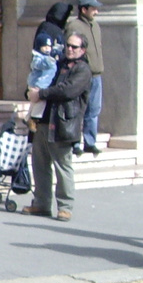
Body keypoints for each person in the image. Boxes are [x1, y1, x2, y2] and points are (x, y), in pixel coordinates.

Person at [24, 32, 91, 221]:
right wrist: (32, 91)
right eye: (68, 45)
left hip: (63, 123)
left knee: (63, 167)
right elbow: (41, 79)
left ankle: (65, 206)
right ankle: (41, 203)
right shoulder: (56, 63)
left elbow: (67, 90)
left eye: (74, 47)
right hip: (43, 121)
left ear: (82, 50)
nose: (69, 49)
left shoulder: (83, 70)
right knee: (40, 165)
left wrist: (42, 93)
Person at [64, 0, 104, 155]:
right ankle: (75, 143)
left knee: (93, 110)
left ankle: (90, 142)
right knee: (77, 110)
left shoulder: (95, 26)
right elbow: (69, 51)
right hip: (81, 75)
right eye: (93, 9)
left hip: (96, 75)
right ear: (83, 9)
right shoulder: (74, 26)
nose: (96, 12)